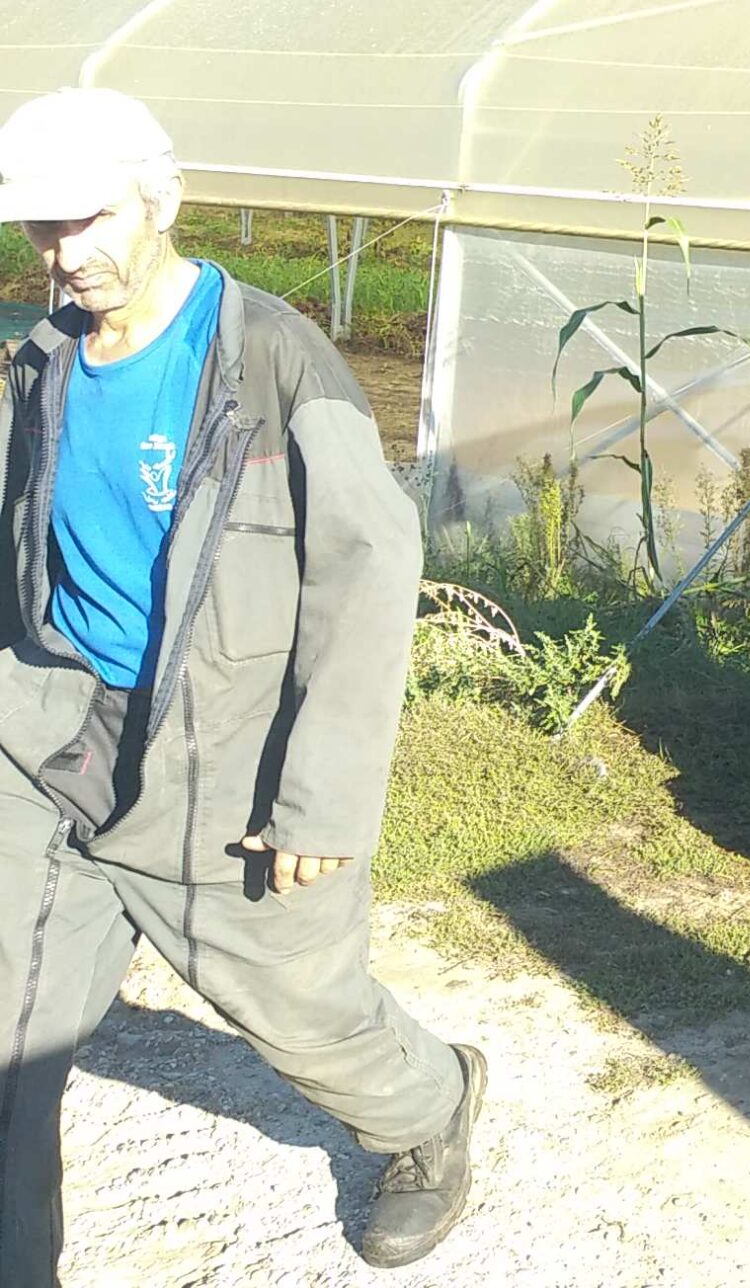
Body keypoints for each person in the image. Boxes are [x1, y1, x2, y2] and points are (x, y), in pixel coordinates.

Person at [0, 89, 483, 1281]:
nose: (69, 254)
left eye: (91, 218)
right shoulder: (41, 360)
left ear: (162, 196)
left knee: (301, 1012)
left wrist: (322, 801)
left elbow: (368, 579)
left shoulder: (273, 361)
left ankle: (432, 1112)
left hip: (226, 754)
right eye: (41, 231)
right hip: (50, 739)